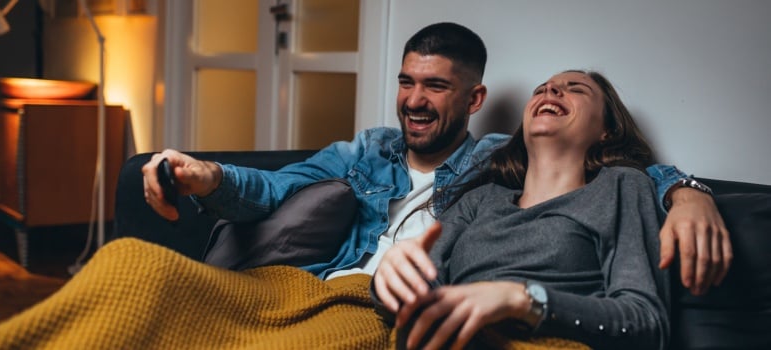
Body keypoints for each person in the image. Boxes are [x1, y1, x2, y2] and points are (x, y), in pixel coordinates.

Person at [143, 22, 729, 295]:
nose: (414, 102)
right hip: (327, 286)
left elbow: (617, 166)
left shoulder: (503, 161)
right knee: (141, 272)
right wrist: (207, 175)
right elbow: (276, 188)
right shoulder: (365, 151)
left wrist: (688, 192)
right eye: (406, 82)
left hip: (396, 308)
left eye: (436, 87)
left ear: (474, 98)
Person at [372, 70, 670, 349]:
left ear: (607, 130)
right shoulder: (481, 198)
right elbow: (420, 293)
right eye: (541, 90)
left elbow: (646, 321)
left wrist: (523, 300)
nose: (550, 89)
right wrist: (392, 278)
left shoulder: (621, 185)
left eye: (575, 89)